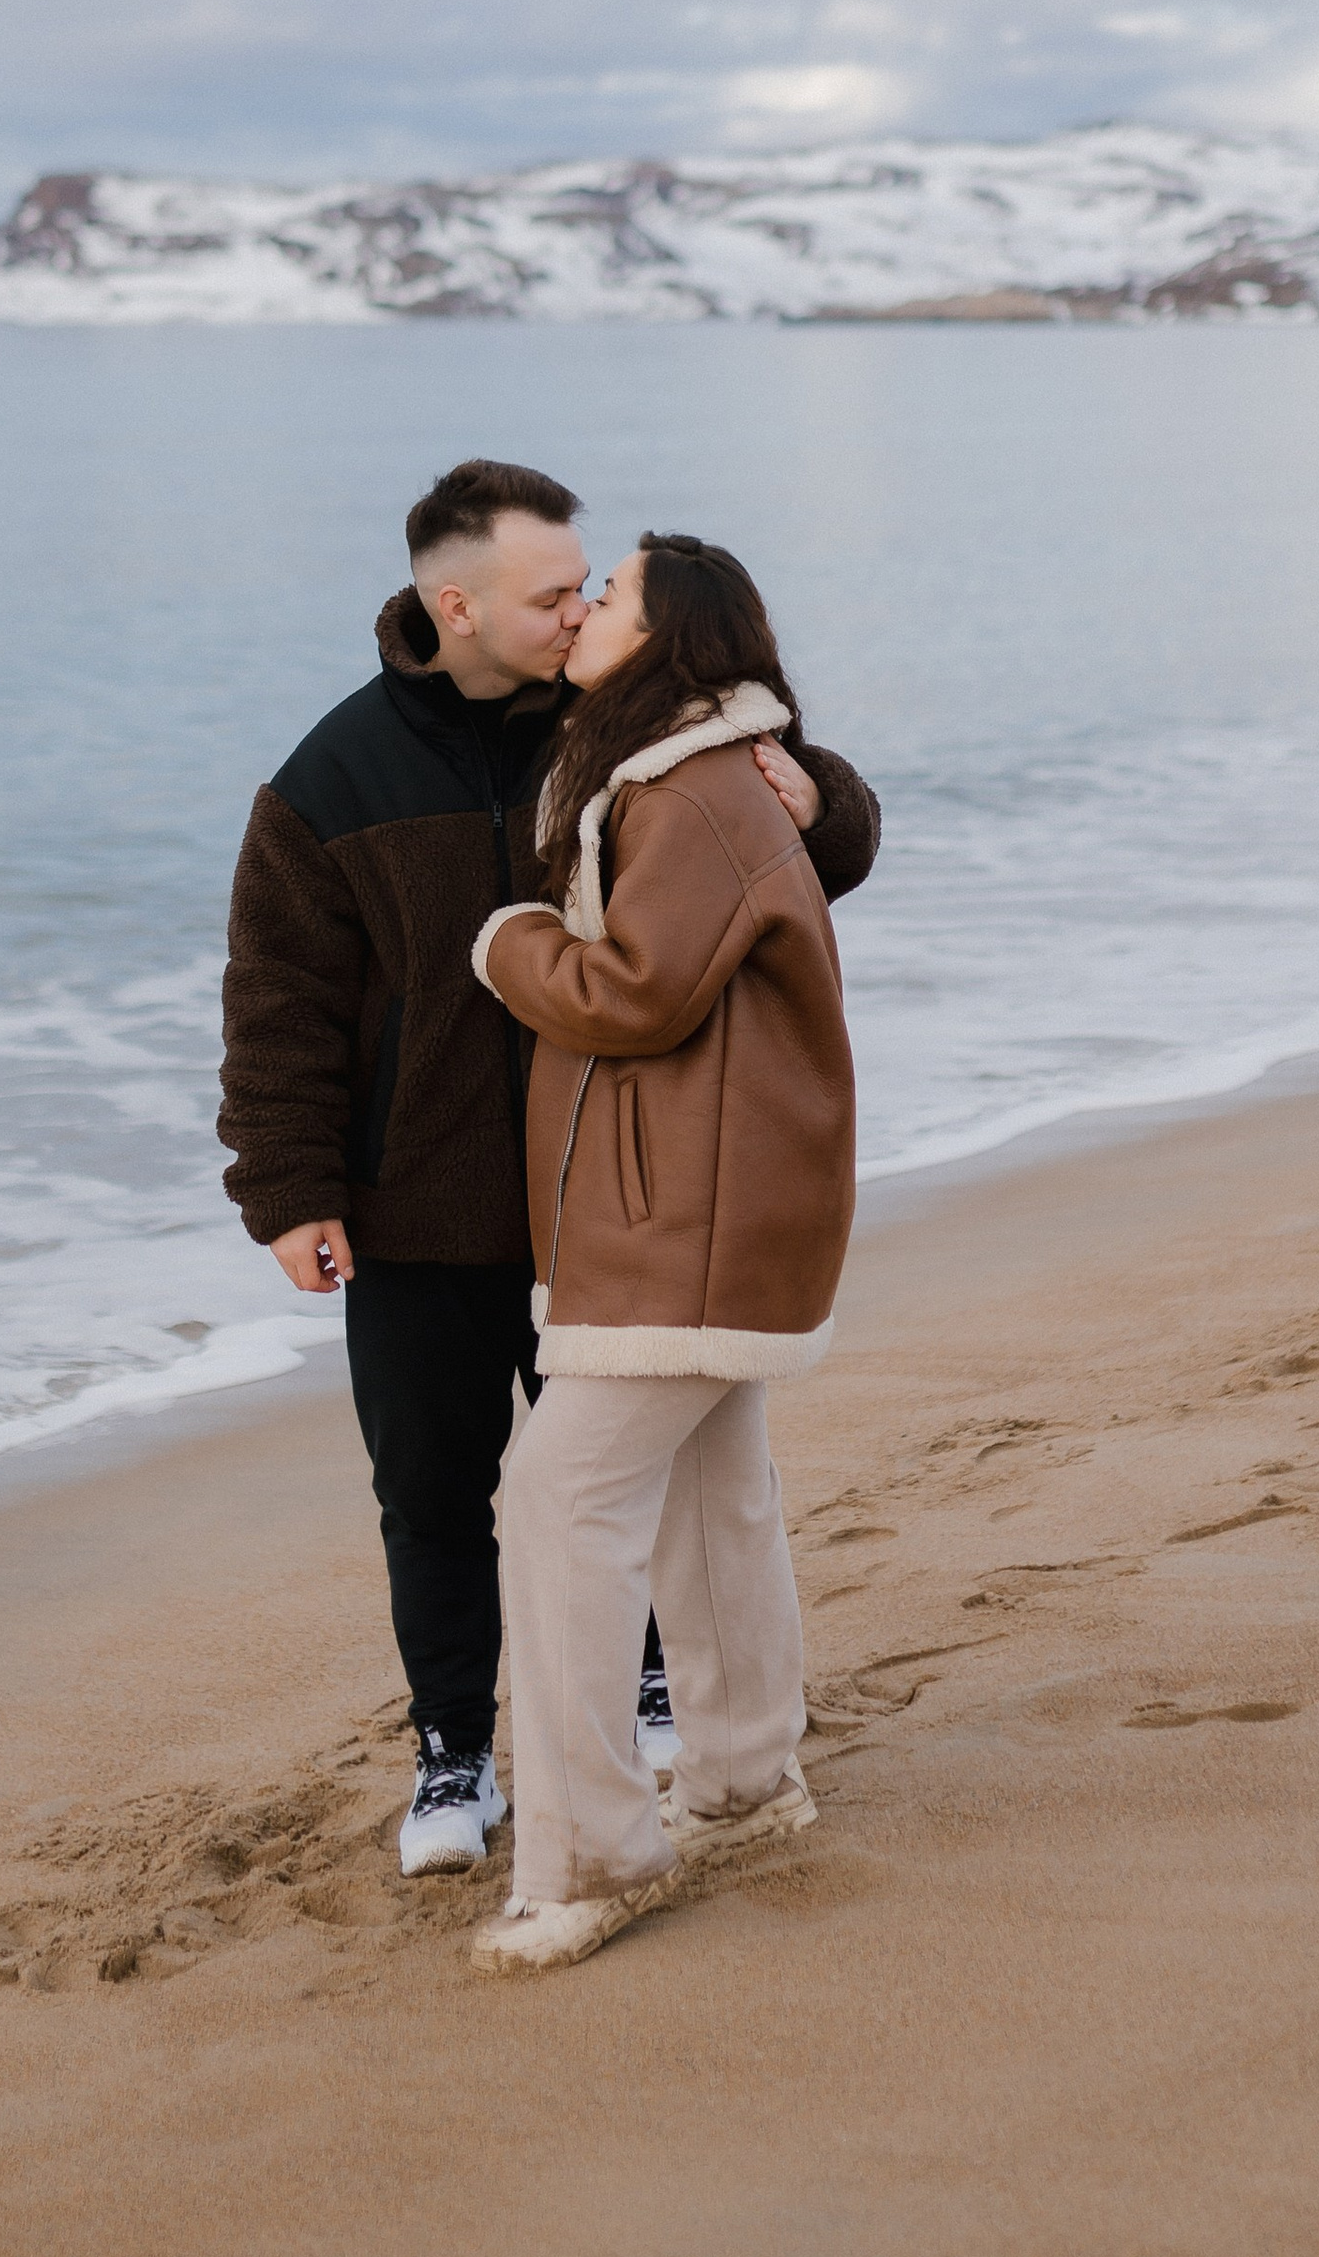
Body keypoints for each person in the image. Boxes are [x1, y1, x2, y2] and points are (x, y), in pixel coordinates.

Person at [217, 462, 880, 1878]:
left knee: (627, 1483)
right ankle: (455, 1747)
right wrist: (286, 1188)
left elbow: (798, 854)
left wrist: (814, 791)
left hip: (606, 1194)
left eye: (589, 584)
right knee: (436, 1488)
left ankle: (653, 1700)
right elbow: (277, 1001)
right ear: (450, 604)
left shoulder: (616, 723)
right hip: (421, 1207)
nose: (577, 607)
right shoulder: (329, 776)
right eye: (549, 592)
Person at [464, 532, 854, 1975]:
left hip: (693, 1216)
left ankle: (597, 1860)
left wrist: (506, 942)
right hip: (712, 1203)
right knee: (710, 1502)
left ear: (670, 637)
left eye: (607, 596)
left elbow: (638, 997)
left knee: (556, 1502)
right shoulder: (690, 769)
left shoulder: (685, 793)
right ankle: (745, 1783)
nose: (583, 613)